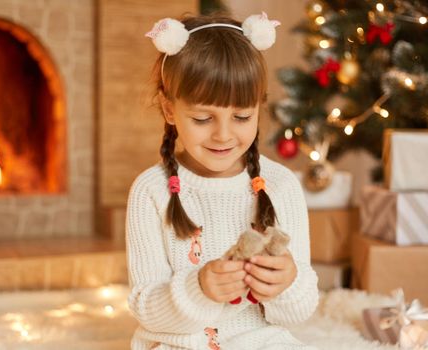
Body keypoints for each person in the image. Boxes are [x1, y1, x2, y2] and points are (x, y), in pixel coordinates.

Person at [126, 11, 319, 350]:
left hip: (262, 341)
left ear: (258, 108)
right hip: (181, 343)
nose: (224, 134)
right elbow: (146, 309)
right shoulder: (150, 191)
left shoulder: (281, 185)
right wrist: (198, 289)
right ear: (169, 110)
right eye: (203, 118)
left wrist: (287, 283)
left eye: (242, 116)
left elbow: (299, 313)